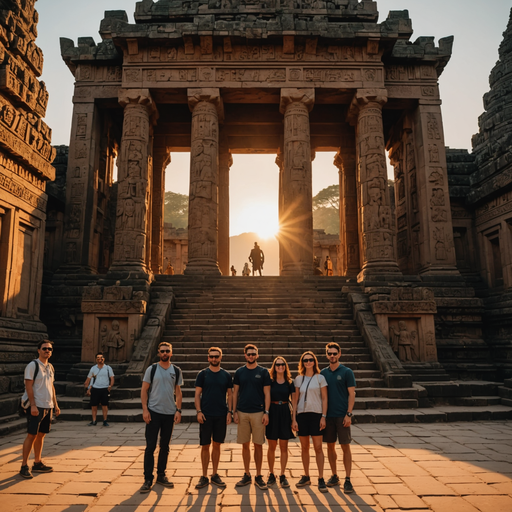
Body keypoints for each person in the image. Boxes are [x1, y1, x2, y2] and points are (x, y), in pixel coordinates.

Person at [140, 342, 183, 493]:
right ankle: (147, 478)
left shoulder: (176, 370)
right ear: (159, 353)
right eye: (162, 351)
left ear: (171, 353)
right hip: (153, 412)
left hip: (169, 413)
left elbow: (178, 392)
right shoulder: (152, 369)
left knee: (165, 447)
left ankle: (161, 475)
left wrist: (178, 410)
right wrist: (145, 410)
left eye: (167, 351)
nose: (165, 353)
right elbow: (144, 390)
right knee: (150, 447)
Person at [20, 340, 61, 479]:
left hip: (47, 405)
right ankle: (24, 465)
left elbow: (51, 386)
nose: (47, 351)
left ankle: (37, 462)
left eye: (49, 349)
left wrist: (55, 404)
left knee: (41, 434)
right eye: (44, 348)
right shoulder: (33, 366)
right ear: (38, 350)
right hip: (36, 405)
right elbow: (28, 386)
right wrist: (32, 405)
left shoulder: (50, 367)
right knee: (31, 435)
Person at [194, 347, 233, 489]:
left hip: (221, 414)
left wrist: (230, 412)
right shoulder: (202, 374)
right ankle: (204, 475)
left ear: (220, 357)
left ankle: (215, 474)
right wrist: (198, 411)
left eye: (216, 356)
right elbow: (197, 394)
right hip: (206, 414)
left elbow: (230, 395)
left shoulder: (226, 375)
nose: (214, 359)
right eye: (212, 357)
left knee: (217, 444)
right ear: (208, 358)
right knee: (205, 445)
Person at [233, 344, 271, 490]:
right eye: (249, 354)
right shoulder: (239, 372)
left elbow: (267, 393)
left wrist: (266, 412)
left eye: (253, 354)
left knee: (258, 444)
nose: (251, 356)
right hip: (242, 412)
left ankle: (259, 475)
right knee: (245, 445)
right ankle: (247, 474)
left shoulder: (263, 372)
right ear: (245, 355)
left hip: (258, 412)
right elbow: (235, 393)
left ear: (257, 355)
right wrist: (234, 411)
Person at [321, 343, 356, 493]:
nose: (332, 356)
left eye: (335, 353)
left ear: (339, 354)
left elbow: (352, 394)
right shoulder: (323, 373)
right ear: (327, 355)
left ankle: (348, 479)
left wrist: (349, 414)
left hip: (342, 415)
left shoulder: (347, 372)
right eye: (330, 353)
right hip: (328, 416)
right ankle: (334, 475)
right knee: (330, 446)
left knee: (345, 446)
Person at [292, 351, 328, 493]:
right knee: (304, 447)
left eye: (310, 360)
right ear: (302, 362)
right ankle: (306, 475)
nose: (308, 362)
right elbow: (295, 400)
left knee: (318, 447)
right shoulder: (298, 379)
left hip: (316, 414)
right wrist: (293, 418)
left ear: (314, 362)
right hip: (302, 415)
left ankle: (320, 477)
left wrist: (323, 416)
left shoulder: (320, 378)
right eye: (305, 360)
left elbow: (325, 398)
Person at [266, 356, 295, 488]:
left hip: (284, 412)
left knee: (284, 446)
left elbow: (294, 403)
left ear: (285, 366)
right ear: (274, 366)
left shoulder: (290, 382)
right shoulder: (269, 381)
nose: (280, 366)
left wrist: (294, 419)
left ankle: (283, 474)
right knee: (271, 446)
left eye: (282, 364)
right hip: (272, 412)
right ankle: (271, 473)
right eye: (277, 364)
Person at [84, 352, 114, 427]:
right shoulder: (93, 368)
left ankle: (105, 420)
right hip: (95, 388)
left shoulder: (108, 368)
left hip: (104, 388)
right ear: (96, 359)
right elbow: (88, 378)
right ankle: (94, 420)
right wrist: (87, 388)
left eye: (101, 357)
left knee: (104, 405)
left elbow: (112, 378)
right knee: (94, 405)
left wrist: (110, 385)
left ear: (104, 359)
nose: (100, 359)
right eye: (98, 357)